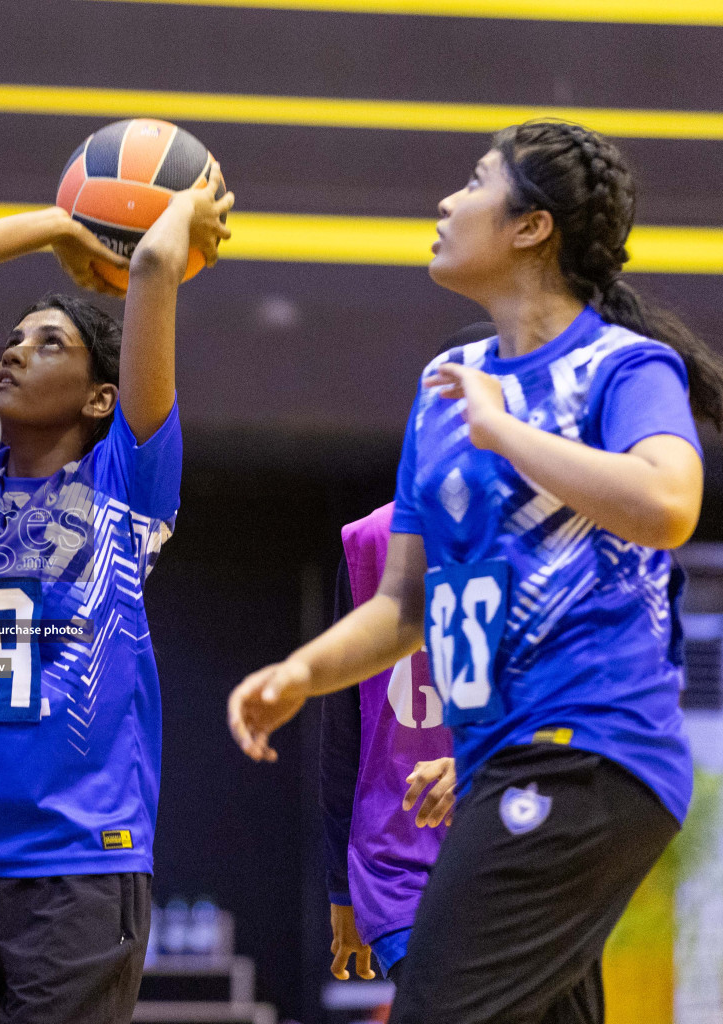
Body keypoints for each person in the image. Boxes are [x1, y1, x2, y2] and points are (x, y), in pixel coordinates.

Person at [227, 119, 723, 1024]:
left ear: (532, 227)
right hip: (501, 754)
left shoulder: (621, 367)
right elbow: (405, 605)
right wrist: (304, 672)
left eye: (475, 180)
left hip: (594, 754)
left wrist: (506, 432)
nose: (449, 200)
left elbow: (668, 502)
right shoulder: (447, 383)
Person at [0, 170, 234, 1023]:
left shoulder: (126, 485)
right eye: (15, 338)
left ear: (103, 396)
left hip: (73, 870)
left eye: (49, 342)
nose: (15, 351)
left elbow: (158, 271)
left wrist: (173, 210)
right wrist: (53, 225)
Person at [322, 323, 493, 985]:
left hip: (518, 840)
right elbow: (345, 727)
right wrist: (342, 884)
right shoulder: (372, 541)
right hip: (399, 865)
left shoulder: (557, 539)